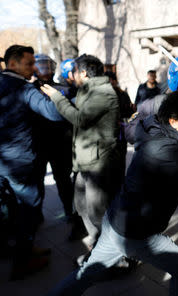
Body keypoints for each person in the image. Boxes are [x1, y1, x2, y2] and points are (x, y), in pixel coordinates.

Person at [46, 90, 178, 296]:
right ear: (173, 121)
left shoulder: (157, 127)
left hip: (117, 222)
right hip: (135, 234)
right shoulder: (164, 151)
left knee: (86, 275)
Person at [40, 54, 124, 258]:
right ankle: (98, 243)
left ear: (83, 73)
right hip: (84, 161)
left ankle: (117, 255)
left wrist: (56, 97)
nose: (72, 75)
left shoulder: (103, 93)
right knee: (80, 205)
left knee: (98, 212)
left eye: (75, 71)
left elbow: (79, 118)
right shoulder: (87, 90)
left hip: (98, 163)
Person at [0, 45, 64, 279]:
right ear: (13, 64)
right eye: (29, 63)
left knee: (10, 209)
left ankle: (21, 249)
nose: (35, 68)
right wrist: (55, 94)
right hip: (21, 163)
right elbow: (54, 113)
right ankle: (22, 261)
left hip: (3, 161)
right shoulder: (24, 88)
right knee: (29, 210)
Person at [32, 54, 75, 221]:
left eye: (47, 65)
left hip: (60, 143)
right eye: (41, 65)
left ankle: (70, 212)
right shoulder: (30, 89)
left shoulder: (63, 89)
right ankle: (37, 215)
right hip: (39, 144)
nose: (45, 70)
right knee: (37, 183)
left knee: (64, 181)